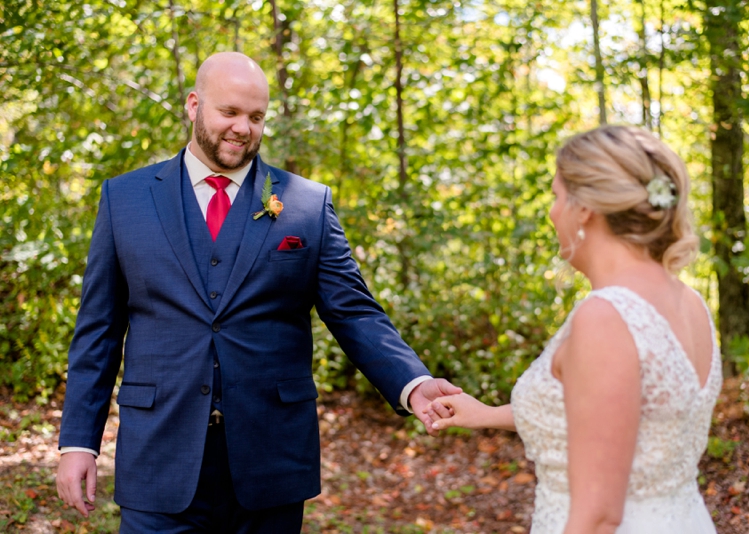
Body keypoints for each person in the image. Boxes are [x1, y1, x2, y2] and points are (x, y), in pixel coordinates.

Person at [56, 51, 460, 533]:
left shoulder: (307, 205)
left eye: (256, 117)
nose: (243, 128)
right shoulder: (124, 199)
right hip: (158, 457)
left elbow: (354, 312)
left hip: (271, 461)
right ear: (193, 105)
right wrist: (78, 441)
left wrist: (412, 384)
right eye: (229, 112)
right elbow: (98, 330)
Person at [426, 125, 721, 533]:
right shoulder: (690, 305)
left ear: (584, 209)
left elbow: (598, 517)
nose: (552, 212)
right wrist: (486, 414)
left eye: (556, 196)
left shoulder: (606, 317)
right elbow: (619, 414)